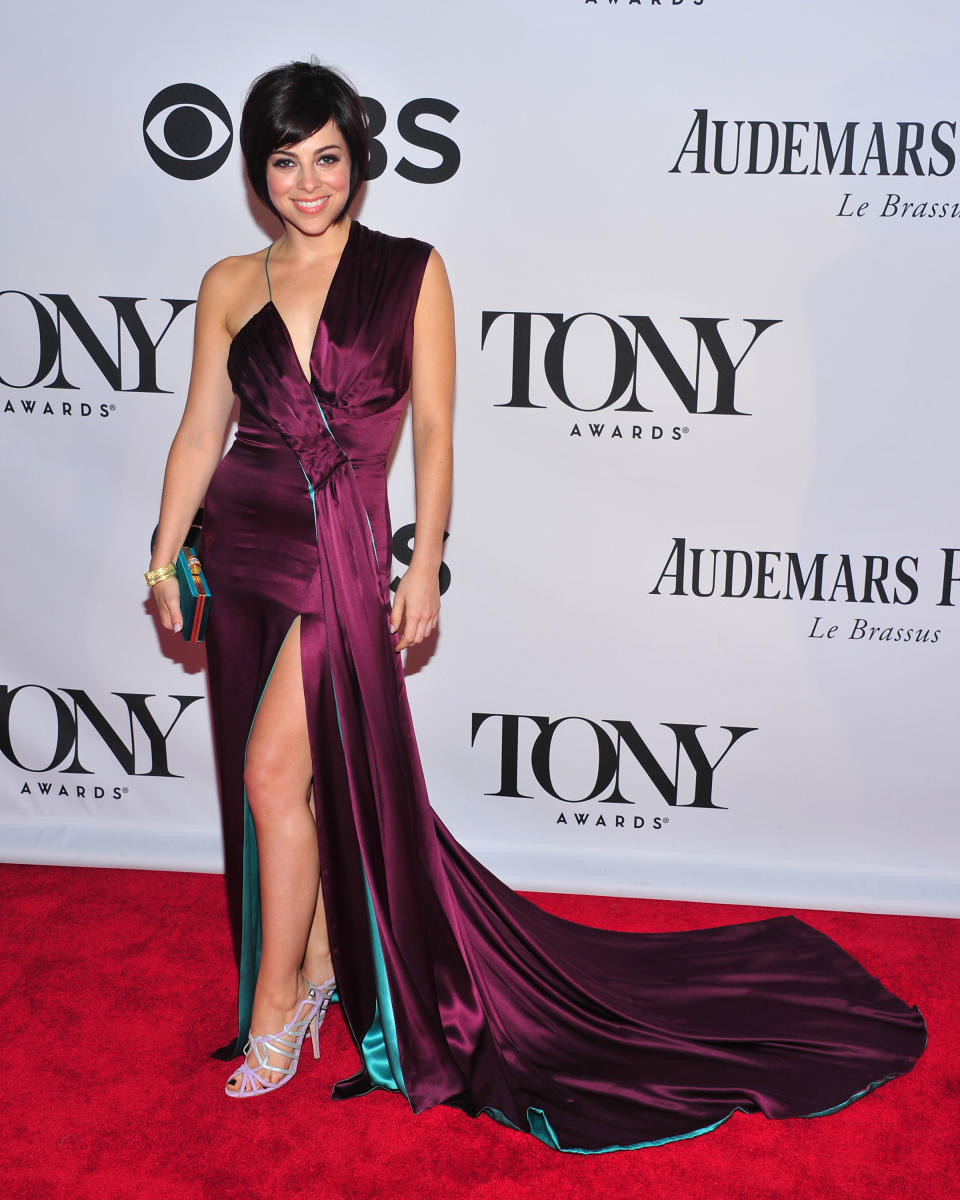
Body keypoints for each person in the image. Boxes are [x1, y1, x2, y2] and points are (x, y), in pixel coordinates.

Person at [147, 60, 925, 1151]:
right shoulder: (229, 281)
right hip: (245, 541)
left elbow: (437, 432)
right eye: (285, 161)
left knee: (276, 773)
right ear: (257, 172)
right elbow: (198, 431)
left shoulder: (413, 271)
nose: (308, 183)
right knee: (292, 781)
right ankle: (321, 961)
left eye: (327, 157)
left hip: (344, 551)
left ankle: (276, 1009)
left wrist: (422, 565)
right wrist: (163, 546)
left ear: (357, 161)